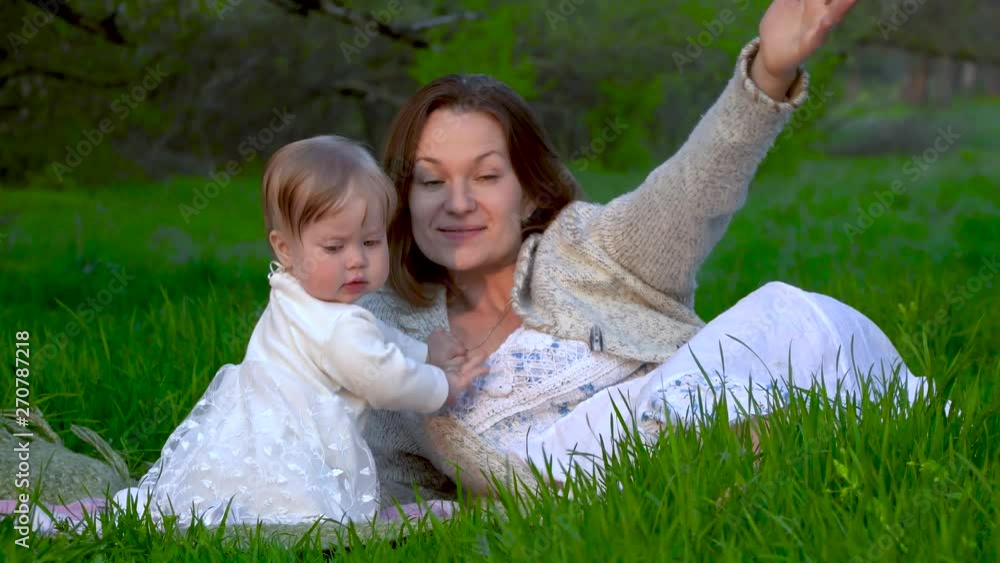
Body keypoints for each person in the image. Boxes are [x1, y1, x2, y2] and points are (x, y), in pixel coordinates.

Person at [358, 0, 933, 501]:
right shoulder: (385, 327)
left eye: (485, 177)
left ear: (530, 191)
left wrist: (767, 73)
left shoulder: (588, 250)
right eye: (431, 181)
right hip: (566, 493)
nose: (456, 203)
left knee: (782, 316)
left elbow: (690, 191)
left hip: (682, 444)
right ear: (404, 195)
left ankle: (759, 486)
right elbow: (387, 481)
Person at [110, 135, 485, 527]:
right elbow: (383, 378)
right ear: (285, 249)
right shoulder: (339, 325)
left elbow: (377, 341)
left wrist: (424, 352)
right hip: (295, 450)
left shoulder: (292, 290)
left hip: (251, 434)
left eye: (371, 242)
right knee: (305, 520)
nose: (356, 260)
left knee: (219, 506)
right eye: (334, 248)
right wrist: (442, 384)